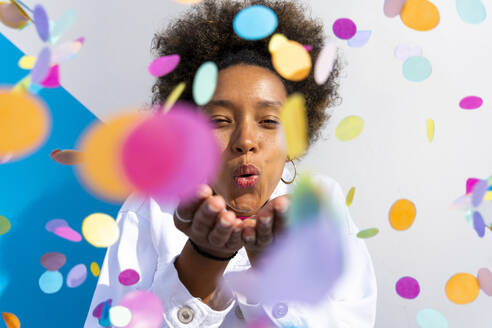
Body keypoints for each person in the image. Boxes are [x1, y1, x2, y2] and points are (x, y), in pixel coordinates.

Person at [84, 0, 377, 327]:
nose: (245, 140)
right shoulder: (151, 209)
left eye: (269, 121)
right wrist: (200, 265)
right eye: (220, 120)